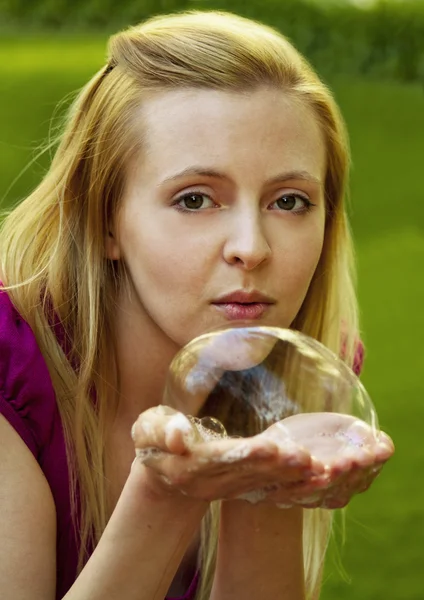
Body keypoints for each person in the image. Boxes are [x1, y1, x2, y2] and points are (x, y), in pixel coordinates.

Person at [0, 9, 394, 600]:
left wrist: (270, 482)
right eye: (194, 200)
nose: (251, 248)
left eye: (289, 201)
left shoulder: (306, 375)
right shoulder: (11, 370)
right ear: (106, 221)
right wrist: (166, 492)